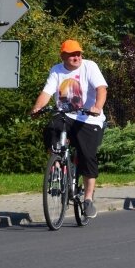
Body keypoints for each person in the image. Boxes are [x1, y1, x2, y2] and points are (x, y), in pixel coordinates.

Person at [30, 39, 108, 219]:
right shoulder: (57, 70)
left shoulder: (90, 66)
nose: (77, 57)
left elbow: (101, 89)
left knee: (87, 156)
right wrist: (37, 107)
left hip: (88, 118)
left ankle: (88, 199)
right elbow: (46, 93)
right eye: (72, 54)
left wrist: (97, 107)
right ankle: (57, 163)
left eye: (79, 53)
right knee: (50, 129)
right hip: (65, 115)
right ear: (63, 56)